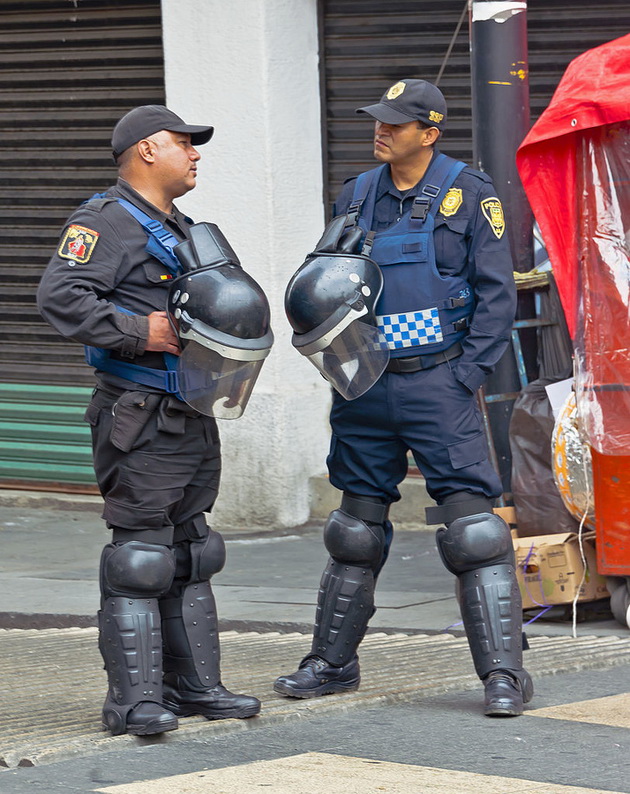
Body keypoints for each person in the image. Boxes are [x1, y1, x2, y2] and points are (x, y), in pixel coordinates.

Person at [277, 79, 533, 717]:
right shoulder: (357, 194)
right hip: (365, 385)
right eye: (378, 121)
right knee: (355, 531)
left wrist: (464, 375)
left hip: (438, 384)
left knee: (473, 533)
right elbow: (328, 281)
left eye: (396, 123)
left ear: (431, 132)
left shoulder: (471, 195)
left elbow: (497, 296)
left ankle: (504, 675)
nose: (381, 131)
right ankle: (332, 665)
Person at [37, 105, 265, 736]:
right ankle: (134, 702)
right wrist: (141, 330)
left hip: (190, 412)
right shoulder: (105, 223)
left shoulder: (184, 227)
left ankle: (195, 687)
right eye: (183, 145)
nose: (195, 155)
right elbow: (60, 295)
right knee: (139, 557)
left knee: (192, 552)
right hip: (137, 414)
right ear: (145, 151)